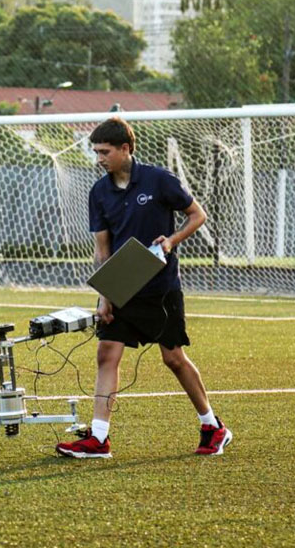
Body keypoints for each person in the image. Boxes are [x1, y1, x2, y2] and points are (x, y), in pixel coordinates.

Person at [55, 117, 232, 459]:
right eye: (95, 152)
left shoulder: (159, 179)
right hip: (121, 288)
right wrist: (104, 297)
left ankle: (213, 426)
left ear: (125, 148)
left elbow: (198, 215)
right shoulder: (99, 192)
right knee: (107, 353)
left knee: (174, 359)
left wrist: (172, 240)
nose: (99, 159)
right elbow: (102, 251)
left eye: (104, 151)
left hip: (161, 289)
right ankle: (99, 439)